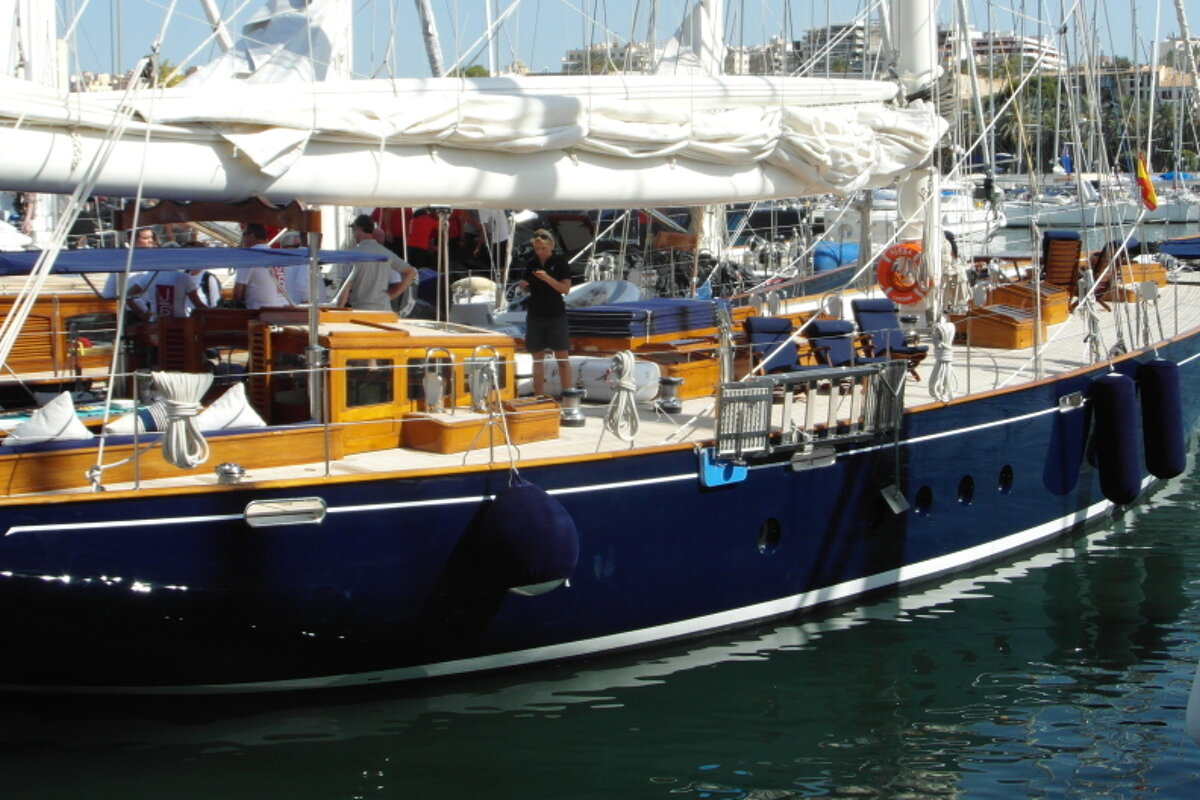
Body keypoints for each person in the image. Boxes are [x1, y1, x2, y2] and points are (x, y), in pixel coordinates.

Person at [519, 228, 572, 396]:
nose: (540, 252)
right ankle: (539, 397)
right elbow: (528, 286)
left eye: (543, 248)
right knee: (537, 358)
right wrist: (524, 286)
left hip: (556, 314)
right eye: (537, 249)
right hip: (535, 313)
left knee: (562, 357)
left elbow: (565, 289)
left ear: (550, 246)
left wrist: (547, 278)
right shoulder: (531, 264)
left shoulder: (560, 262)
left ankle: (568, 395)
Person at [344, 214, 416, 313]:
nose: (353, 234)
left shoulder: (352, 254)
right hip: (384, 309)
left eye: (354, 230)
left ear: (359, 228)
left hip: (360, 309)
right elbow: (411, 272)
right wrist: (392, 294)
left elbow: (346, 286)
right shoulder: (386, 253)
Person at [233, 223, 289, 309]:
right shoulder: (277, 256)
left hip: (259, 311)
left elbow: (237, 293)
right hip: (281, 308)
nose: (242, 239)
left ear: (251, 236)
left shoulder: (249, 256)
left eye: (243, 235)